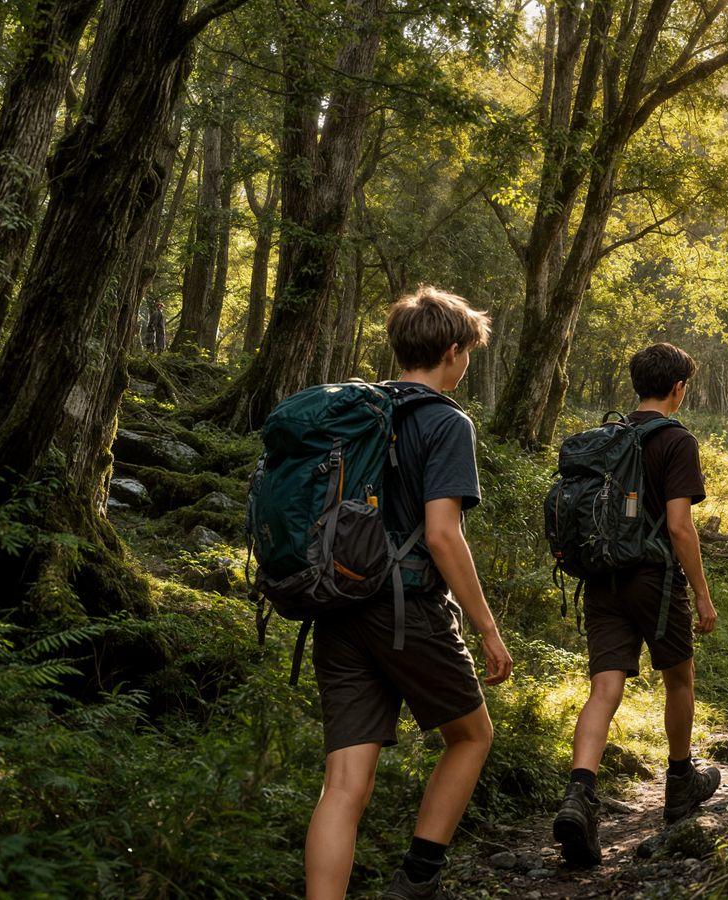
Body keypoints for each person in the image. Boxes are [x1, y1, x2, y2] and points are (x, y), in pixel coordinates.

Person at [305, 287, 513, 900]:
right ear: (452, 352)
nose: (466, 363)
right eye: (467, 352)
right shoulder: (446, 422)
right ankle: (417, 881)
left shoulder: (356, 413)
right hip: (407, 609)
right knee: (472, 736)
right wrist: (487, 628)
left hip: (337, 606)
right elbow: (443, 536)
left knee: (344, 783)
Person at [553, 343, 721, 868]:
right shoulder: (676, 440)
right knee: (679, 679)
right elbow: (679, 526)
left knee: (604, 688)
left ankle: (579, 794)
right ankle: (680, 781)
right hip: (655, 579)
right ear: (678, 388)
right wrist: (702, 593)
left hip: (602, 577)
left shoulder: (609, 436)